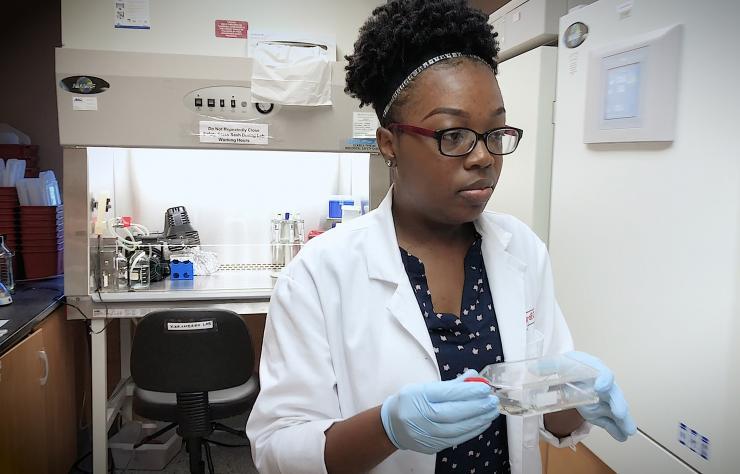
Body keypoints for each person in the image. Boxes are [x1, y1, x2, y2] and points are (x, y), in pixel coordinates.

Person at [246, 1, 636, 472]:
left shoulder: (523, 250)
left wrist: (577, 394)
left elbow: (549, 413)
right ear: (389, 142)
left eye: (495, 133)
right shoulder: (317, 273)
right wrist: (387, 429)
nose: (483, 157)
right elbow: (277, 452)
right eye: (453, 135)